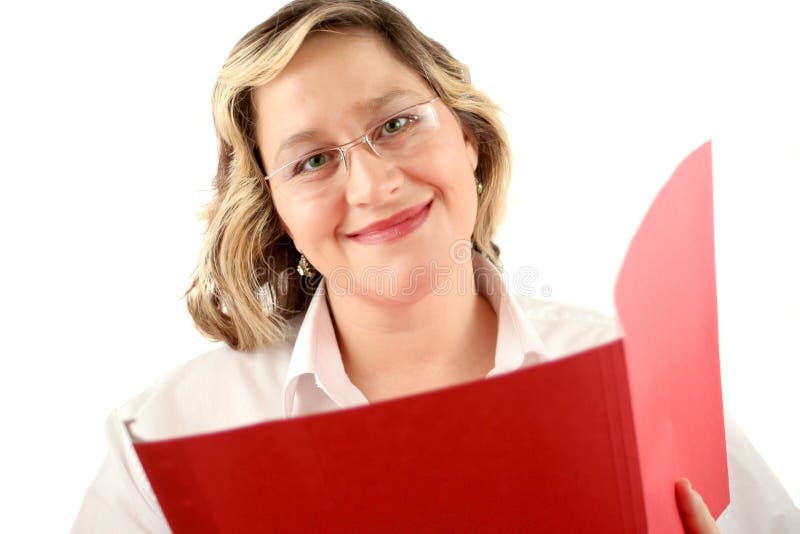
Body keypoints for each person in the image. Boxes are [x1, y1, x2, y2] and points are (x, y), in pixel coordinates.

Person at [70, 1, 798, 532]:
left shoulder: (639, 377)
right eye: (313, 160)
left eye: (396, 124)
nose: (373, 187)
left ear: (469, 138)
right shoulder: (166, 437)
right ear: (277, 211)